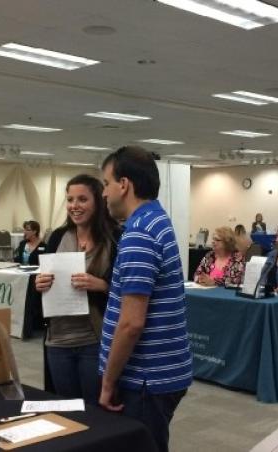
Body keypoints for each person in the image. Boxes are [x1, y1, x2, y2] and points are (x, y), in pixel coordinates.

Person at [99, 146, 192, 452]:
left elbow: (131, 323)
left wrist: (109, 381)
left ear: (124, 184)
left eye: (105, 184)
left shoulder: (139, 233)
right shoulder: (157, 220)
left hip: (144, 379)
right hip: (158, 374)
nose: (104, 194)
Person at [33, 175, 120, 405]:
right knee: (66, 410)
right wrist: (39, 284)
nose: (74, 206)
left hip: (94, 339)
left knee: (94, 413)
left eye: (82, 199)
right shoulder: (59, 237)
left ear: (97, 202)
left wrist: (101, 285)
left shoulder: (114, 237)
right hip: (58, 340)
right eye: (70, 199)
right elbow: (43, 280)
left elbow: (126, 290)